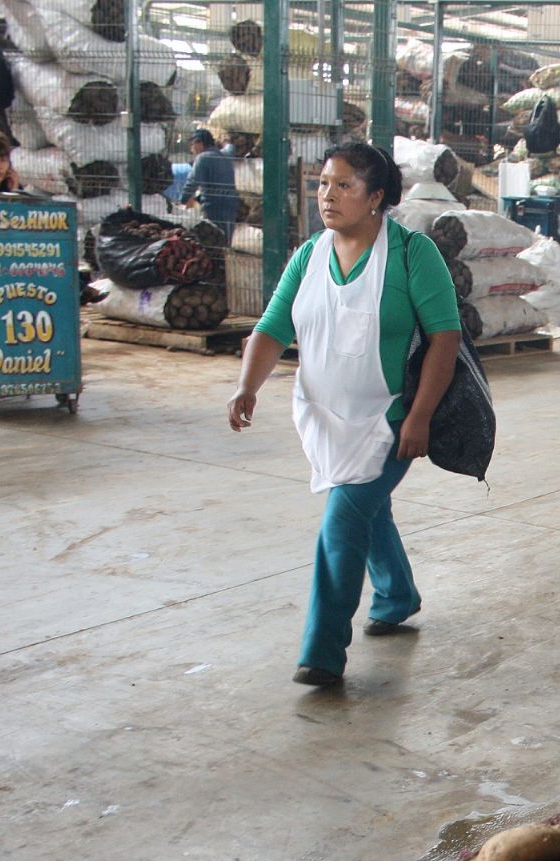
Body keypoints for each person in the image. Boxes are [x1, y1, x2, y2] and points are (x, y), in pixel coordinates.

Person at [227, 143, 463, 687]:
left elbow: (445, 339)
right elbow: (272, 327)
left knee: (344, 520)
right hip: (325, 419)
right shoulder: (310, 255)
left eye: (343, 185)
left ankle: (322, 650)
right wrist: (247, 386)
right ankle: (397, 593)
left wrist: (420, 416)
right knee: (365, 509)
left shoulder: (412, 254)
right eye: (322, 184)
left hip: (389, 419)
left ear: (377, 197)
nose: (327, 196)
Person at [184, 128, 239, 241]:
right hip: (230, 204)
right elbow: (231, 148)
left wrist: (183, 199)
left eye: (193, 144)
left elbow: (192, 182)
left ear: (200, 143)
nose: (191, 148)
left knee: (213, 239)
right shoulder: (224, 155)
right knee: (226, 238)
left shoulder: (202, 158)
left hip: (213, 206)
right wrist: (226, 142)